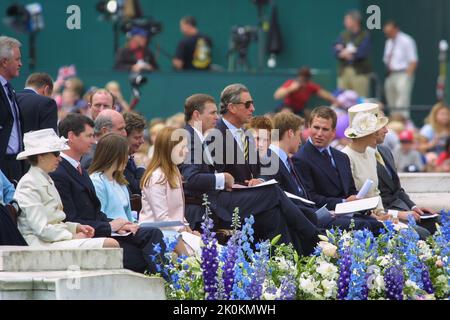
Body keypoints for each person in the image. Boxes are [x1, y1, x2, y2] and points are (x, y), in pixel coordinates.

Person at [181, 93, 320, 256]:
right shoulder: (190, 138)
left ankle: (285, 263)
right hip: (213, 203)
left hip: (222, 196)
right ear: (197, 115)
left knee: (273, 214)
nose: (216, 117)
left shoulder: (198, 137)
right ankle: (314, 237)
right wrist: (222, 178)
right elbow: (191, 178)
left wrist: (247, 180)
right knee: (273, 192)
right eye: (212, 113)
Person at [50, 114, 165, 274]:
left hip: (103, 230)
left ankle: (170, 286)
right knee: (144, 255)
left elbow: (95, 212)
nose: (93, 140)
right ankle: (168, 287)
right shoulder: (60, 173)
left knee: (152, 234)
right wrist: (110, 226)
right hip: (89, 236)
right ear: (71, 137)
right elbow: (72, 219)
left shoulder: (80, 170)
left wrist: (120, 224)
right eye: (89, 136)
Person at [14, 129, 119, 249]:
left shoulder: (44, 179)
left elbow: (54, 222)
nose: (59, 158)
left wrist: (77, 227)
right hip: (40, 245)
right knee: (110, 244)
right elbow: (41, 229)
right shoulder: (29, 183)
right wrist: (71, 235)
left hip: (52, 240)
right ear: (41, 157)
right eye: (56, 154)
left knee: (111, 243)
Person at [342, 103, 430, 238]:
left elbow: (376, 194)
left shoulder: (370, 154)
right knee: (421, 235)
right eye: (377, 128)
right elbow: (351, 200)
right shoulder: (345, 157)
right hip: (363, 221)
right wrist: (384, 217)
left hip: (382, 217)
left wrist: (385, 216)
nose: (383, 132)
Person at [140, 126, 200, 255]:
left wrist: (189, 230)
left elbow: (177, 214)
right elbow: (162, 218)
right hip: (158, 233)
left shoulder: (174, 172)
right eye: (183, 147)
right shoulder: (156, 177)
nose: (187, 150)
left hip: (175, 231)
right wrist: (183, 230)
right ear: (170, 149)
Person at [372, 125, 438, 235]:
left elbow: (397, 189)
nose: (386, 130)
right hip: (387, 216)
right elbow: (369, 204)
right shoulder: (357, 157)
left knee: (438, 223)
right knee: (423, 234)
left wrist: (415, 207)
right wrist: (397, 214)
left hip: (402, 209)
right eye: (382, 127)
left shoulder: (385, 151)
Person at [89, 133, 134, 222]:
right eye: (125, 154)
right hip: (113, 231)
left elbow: (127, 215)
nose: (127, 158)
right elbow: (100, 215)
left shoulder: (119, 180)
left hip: (127, 229)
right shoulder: (96, 181)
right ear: (113, 156)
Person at [0, 36, 25, 182]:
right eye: (17, 59)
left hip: (15, 164)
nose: (21, 64)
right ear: (4, 61)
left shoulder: (10, 89)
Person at [383, 20, 418, 118]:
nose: (388, 34)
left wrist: (407, 77)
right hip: (391, 74)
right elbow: (387, 59)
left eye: (389, 32)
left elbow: (413, 61)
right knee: (391, 102)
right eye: (386, 32)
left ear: (396, 29)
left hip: (403, 74)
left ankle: (403, 124)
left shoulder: (407, 40)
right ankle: (394, 123)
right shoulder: (389, 42)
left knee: (402, 103)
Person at [333, 10, 372, 97]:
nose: (344, 23)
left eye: (347, 20)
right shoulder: (343, 35)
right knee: (342, 99)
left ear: (355, 21)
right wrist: (344, 52)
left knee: (360, 102)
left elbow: (362, 53)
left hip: (359, 73)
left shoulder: (365, 35)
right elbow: (335, 49)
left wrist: (345, 51)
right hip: (344, 72)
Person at [274, 67, 338, 116]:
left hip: (300, 109)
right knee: (286, 113)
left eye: (306, 78)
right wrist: (290, 89)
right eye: (302, 78)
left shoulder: (310, 86)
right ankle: (278, 133)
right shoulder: (291, 83)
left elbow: (323, 93)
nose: (303, 81)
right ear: (298, 77)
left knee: (311, 115)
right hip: (288, 106)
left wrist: (335, 100)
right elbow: (277, 95)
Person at [123, 112, 147, 195]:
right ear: (124, 137)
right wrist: (141, 167)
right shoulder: (119, 162)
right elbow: (139, 188)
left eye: (142, 137)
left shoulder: (130, 157)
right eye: (137, 137)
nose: (142, 141)